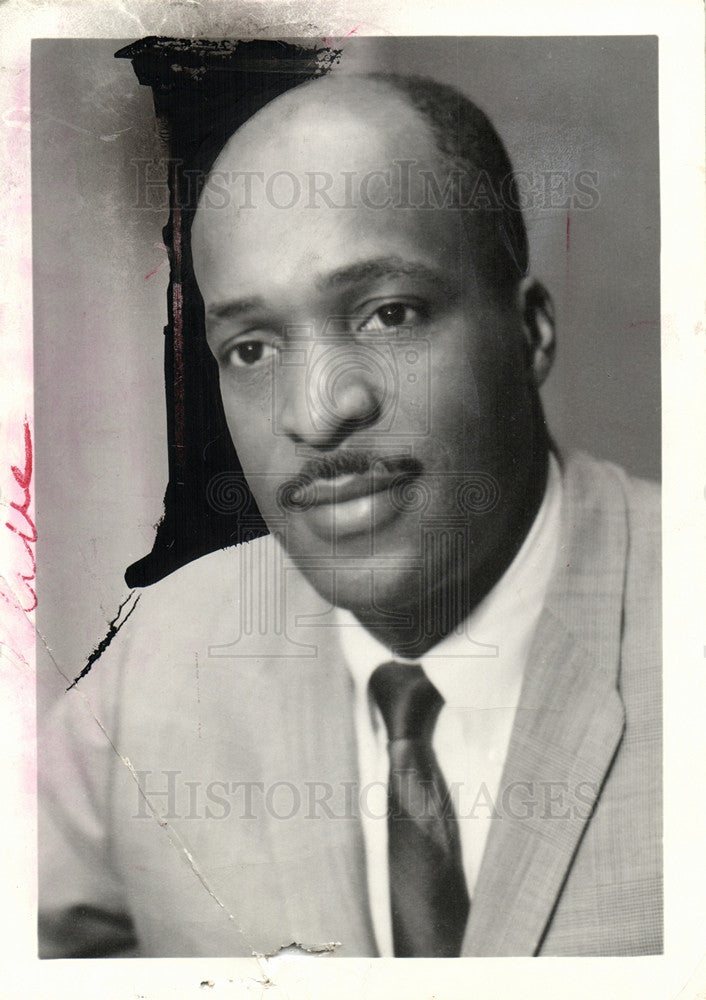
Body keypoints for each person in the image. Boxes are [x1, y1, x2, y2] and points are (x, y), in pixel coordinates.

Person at [38, 71, 661, 958]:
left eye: (386, 314)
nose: (317, 413)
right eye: (250, 348)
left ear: (530, 332)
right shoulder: (162, 655)